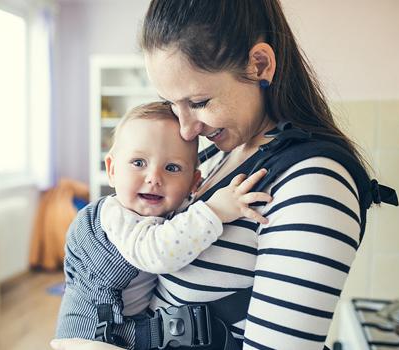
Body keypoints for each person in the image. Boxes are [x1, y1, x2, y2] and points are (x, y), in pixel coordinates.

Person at [51, 0, 398, 349]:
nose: (186, 130)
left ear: (259, 65)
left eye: (199, 102)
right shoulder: (216, 155)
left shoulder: (313, 183)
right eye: (172, 104)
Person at [54, 102, 271, 347]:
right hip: (91, 339)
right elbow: (156, 252)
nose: (154, 178)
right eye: (138, 163)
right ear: (112, 170)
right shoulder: (115, 215)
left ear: (193, 183)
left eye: (172, 168)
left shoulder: (168, 210)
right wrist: (215, 210)